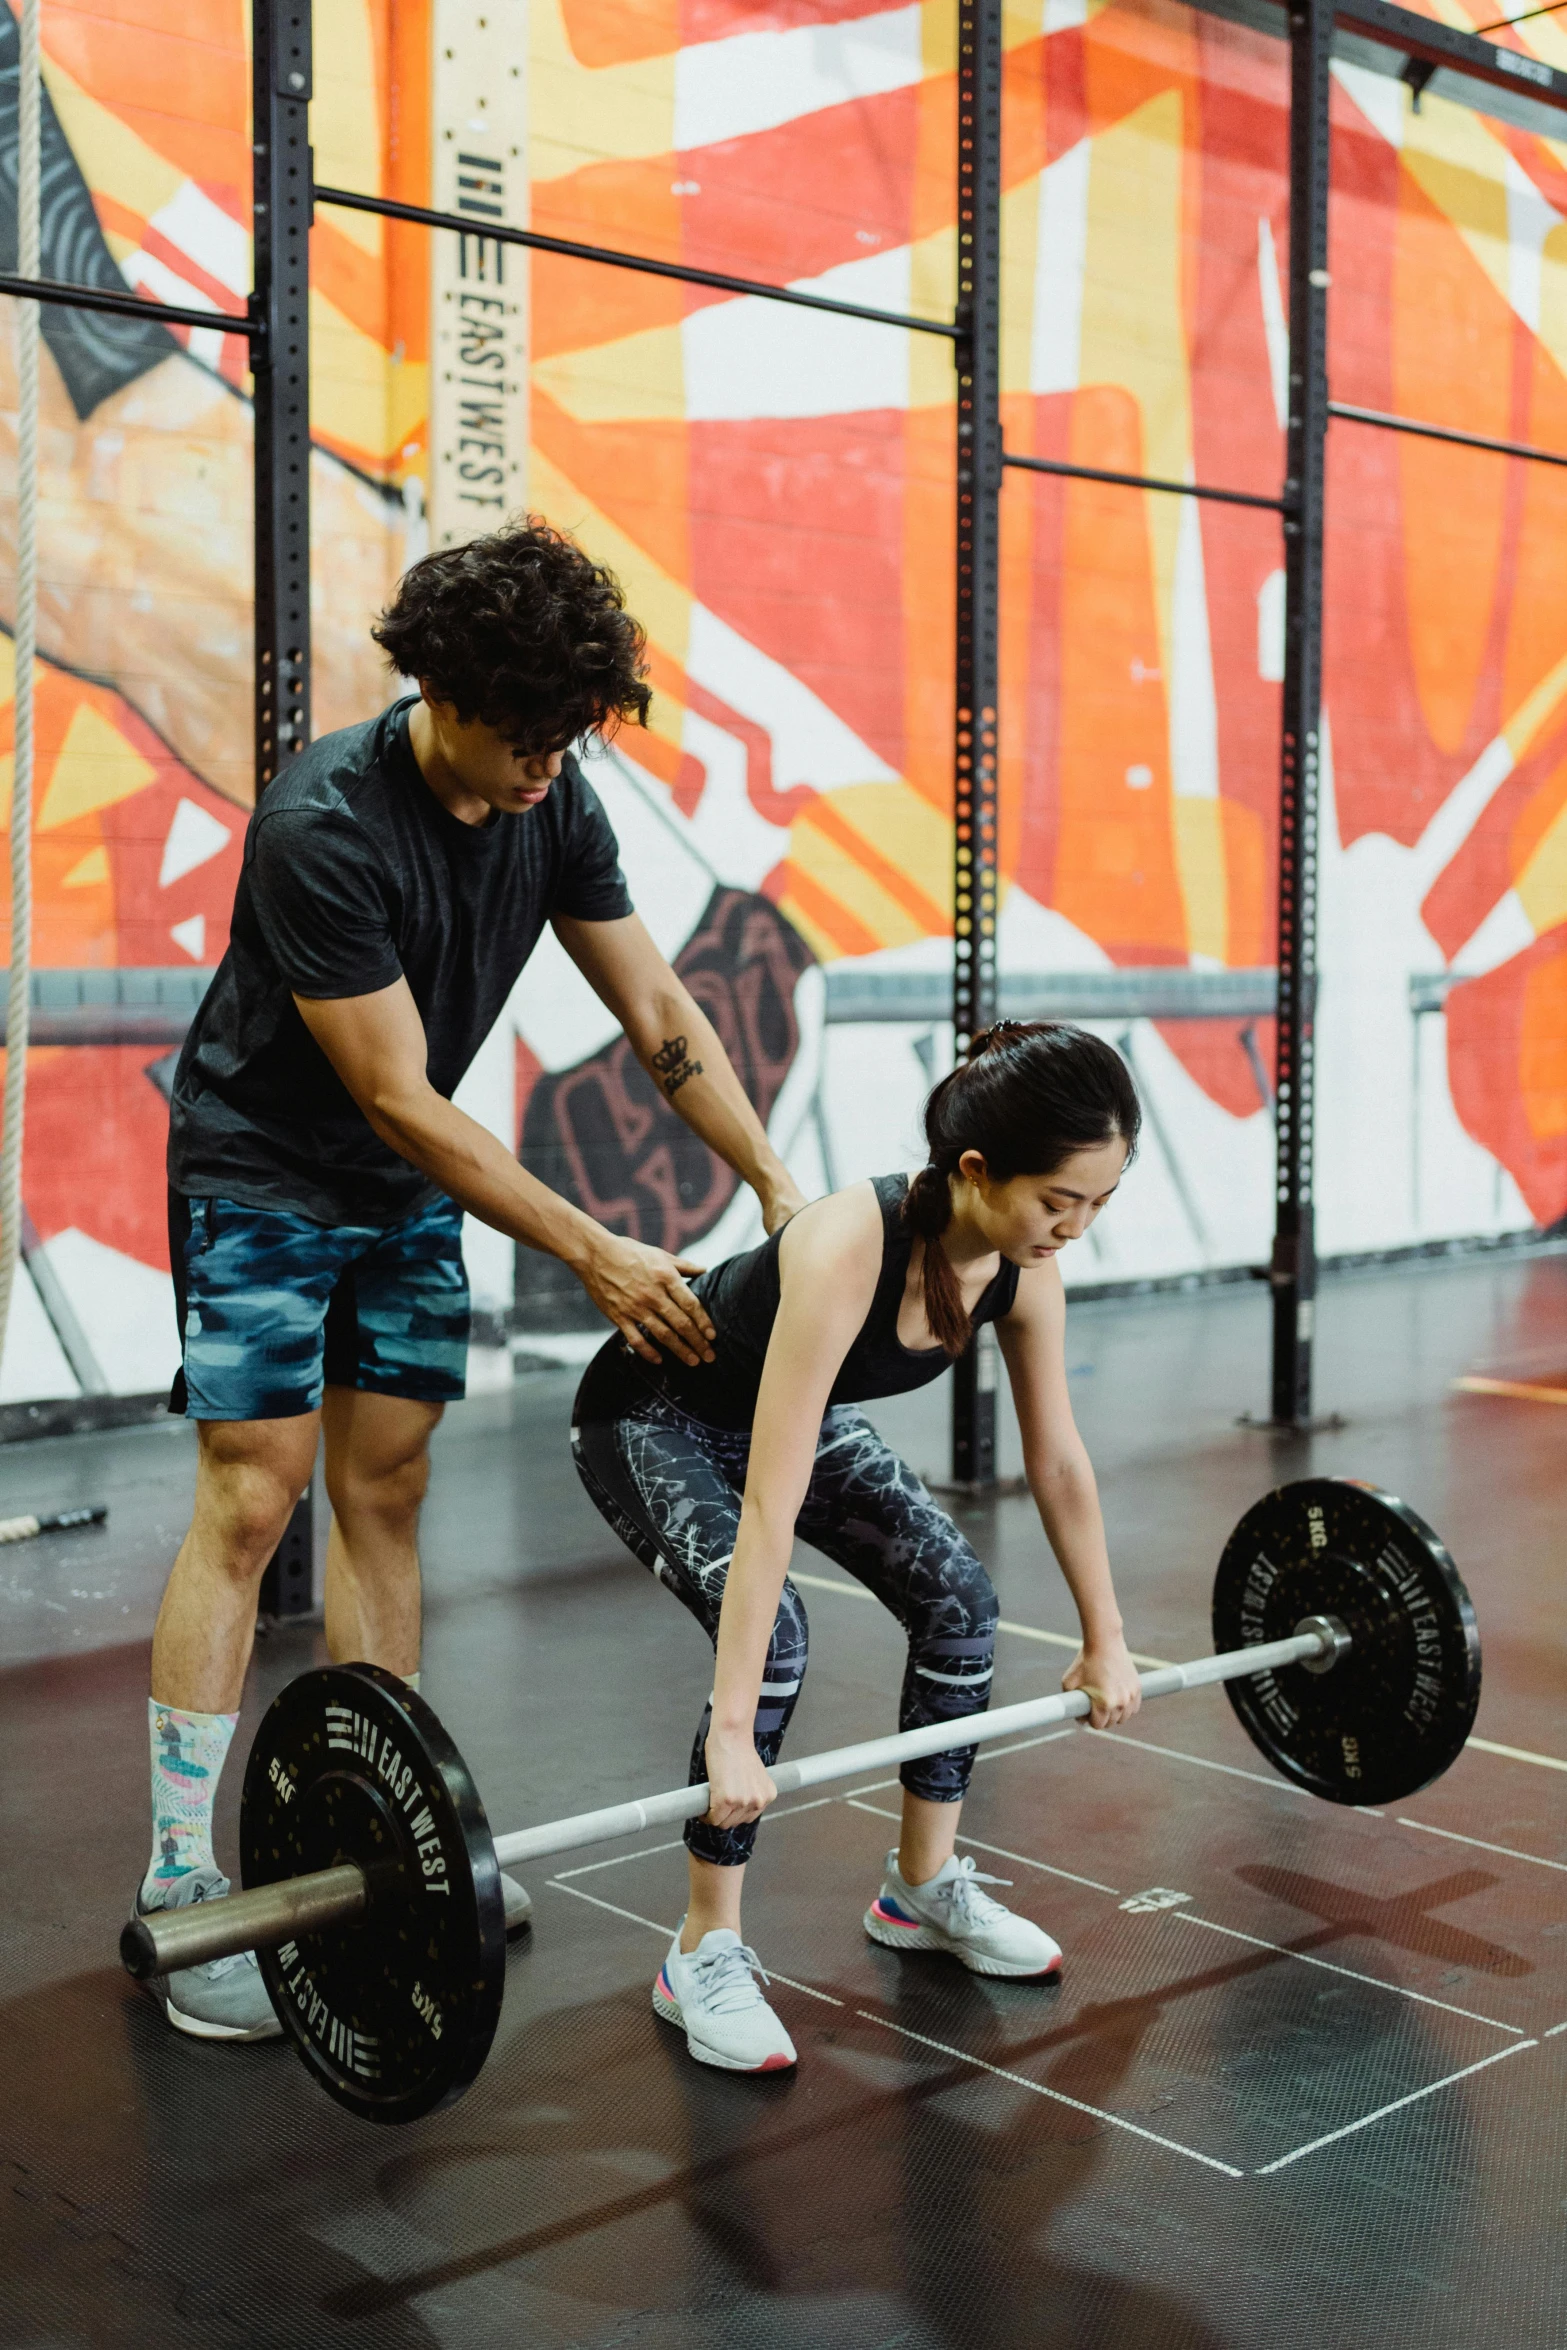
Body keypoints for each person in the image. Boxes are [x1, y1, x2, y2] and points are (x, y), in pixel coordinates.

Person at [136, 517, 806, 2041]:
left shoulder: (549, 796)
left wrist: (772, 1178)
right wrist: (595, 1251)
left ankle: (387, 1829)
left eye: (568, 736)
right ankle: (183, 1876)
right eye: (523, 732)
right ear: (437, 687)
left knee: (387, 1492)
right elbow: (394, 1096)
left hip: (407, 1182)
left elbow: (654, 1007)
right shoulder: (325, 825)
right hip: (263, 1168)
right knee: (252, 1496)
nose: (545, 765)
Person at [572, 1019, 1146, 2075]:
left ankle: (919, 1890)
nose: (1076, 1227)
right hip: (651, 1414)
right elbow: (769, 1502)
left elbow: (1057, 1462)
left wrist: (1104, 1637)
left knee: (960, 1603)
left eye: (1099, 1203)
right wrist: (731, 1734)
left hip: (773, 1417)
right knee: (778, 1631)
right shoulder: (851, 1243)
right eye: (1058, 1200)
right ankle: (703, 1945)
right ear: (975, 1169)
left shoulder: (1023, 1267)